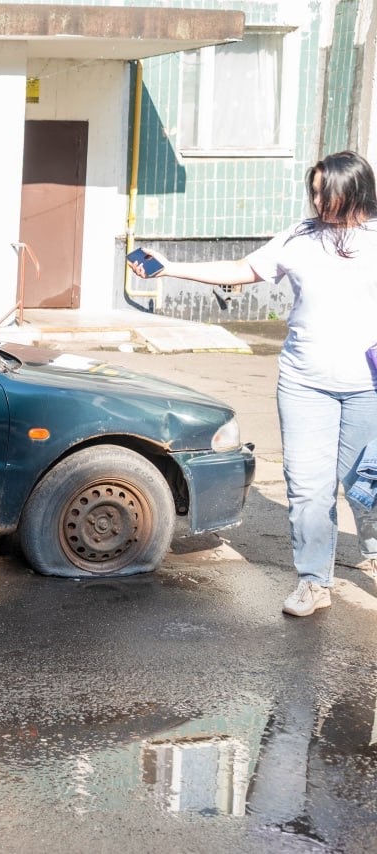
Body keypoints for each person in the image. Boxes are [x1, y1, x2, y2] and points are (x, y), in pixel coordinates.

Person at [130, 150, 377, 617]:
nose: (318, 200)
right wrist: (171, 267)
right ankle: (313, 581)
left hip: (368, 385)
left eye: (327, 192)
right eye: (314, 191)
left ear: (356, 190)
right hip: (304, 383)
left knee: (364, 485)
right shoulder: (300, 236)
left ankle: (373, 545)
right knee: (307, 487)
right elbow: (243, 270)